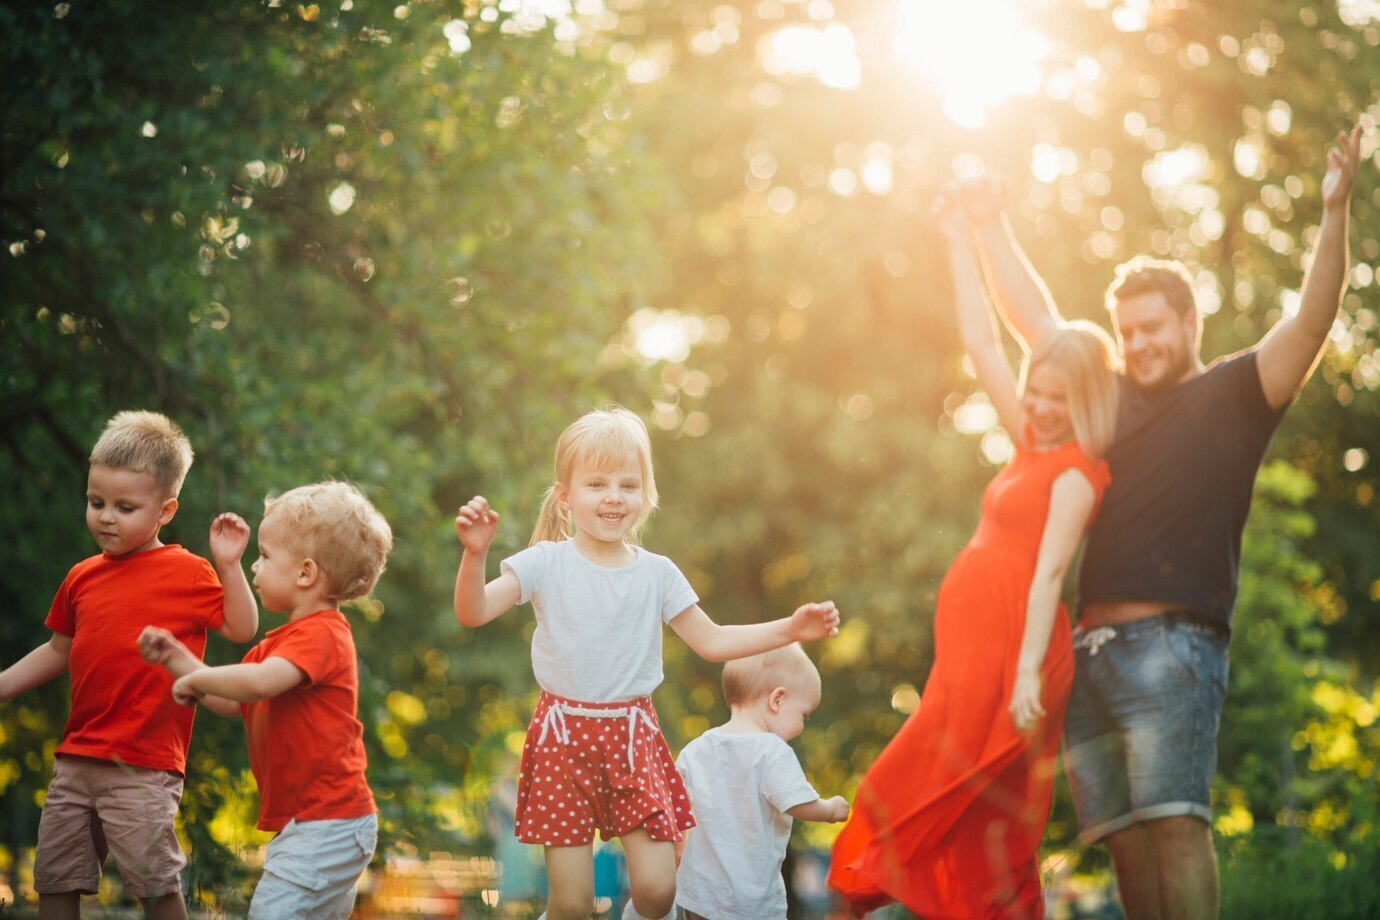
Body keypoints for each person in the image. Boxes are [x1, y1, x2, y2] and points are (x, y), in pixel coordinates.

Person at [957, 126, 1364, 919]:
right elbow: (1035, 321)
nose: (1139, 343)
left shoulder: (1235, 395)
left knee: (1176, 825)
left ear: (1187, 324)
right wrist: (989, 223)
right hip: (1087, 654)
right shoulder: (1107, 401)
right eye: (1129, 330)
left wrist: (1335, 211)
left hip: (1174, 647)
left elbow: (1312, 323)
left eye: (1153, 327)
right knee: (1123, 839)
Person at [828, 199, 1120, 918]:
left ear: (1083, 399)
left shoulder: (1079, 471)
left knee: (986, 811)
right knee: (931, 786)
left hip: (1014, 660)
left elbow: (1052, 572)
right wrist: (959, 242)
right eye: (1035, 393)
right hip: (971, 656)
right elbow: (984, 344)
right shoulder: (1029, 442)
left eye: (1056, 399)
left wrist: (1024, 671)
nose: (1041, 407)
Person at [452, 405, 841, 920]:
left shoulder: (657, 574)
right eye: (597, 483)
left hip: (634, 739)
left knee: (658, 893)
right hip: (562, 740)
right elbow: (474, 611)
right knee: (570, 906)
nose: (614, 496)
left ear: (646, 495)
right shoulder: (545, 562)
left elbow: (714, 639)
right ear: (566, 496)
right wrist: (475, 555)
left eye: (628, 484)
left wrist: (791, 628)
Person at [0, 410, 257, 920]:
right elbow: (58, 650)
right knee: (55, 877)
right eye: (96, 503)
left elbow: (241, 628)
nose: (106, 517)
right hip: (76, 757)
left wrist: (229, 566)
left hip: (144, 762)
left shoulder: (187, 571)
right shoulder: (82, 577)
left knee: (154, 885)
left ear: (165, 510)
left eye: (125, 506)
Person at [137, 480, 393, 920]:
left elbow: (255, 684)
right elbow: (233, 700)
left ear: (305, 574)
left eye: (265, 556)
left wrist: (198, 679)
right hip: (318, 824)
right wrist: (178, 661)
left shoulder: (322, 634)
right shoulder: (279, 645)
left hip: (326, 824)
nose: (255, 567)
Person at [674, 643, 849, 920]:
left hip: (700, 895)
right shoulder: (771, 750)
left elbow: (674, 809)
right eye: (803, 714)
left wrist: (678, 849)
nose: (802, 727)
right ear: (777, 700)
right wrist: (830, 810)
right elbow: (798, 803)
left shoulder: (695, 749)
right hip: (751, 899)